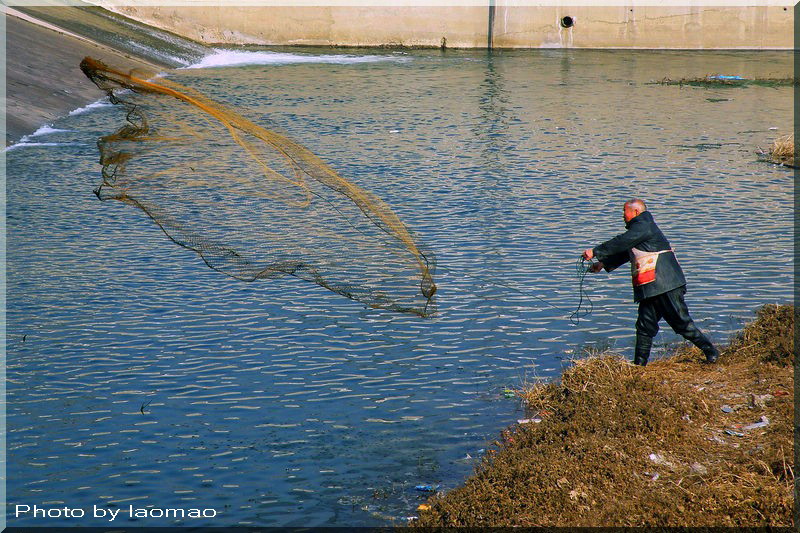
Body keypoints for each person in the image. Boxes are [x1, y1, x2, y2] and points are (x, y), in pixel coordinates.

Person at [582, 199, 719, 366]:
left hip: (665, 284)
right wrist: (603, 263)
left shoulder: (644, 225)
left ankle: (711, 352)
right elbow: (627, 251)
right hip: (652, 287)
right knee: (644, 327)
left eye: (625, 212)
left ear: (636, 212)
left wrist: (595, 251)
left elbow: (622, 241)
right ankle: (639, 366)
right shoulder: (640, 230)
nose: (622, 216)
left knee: (681, 322)